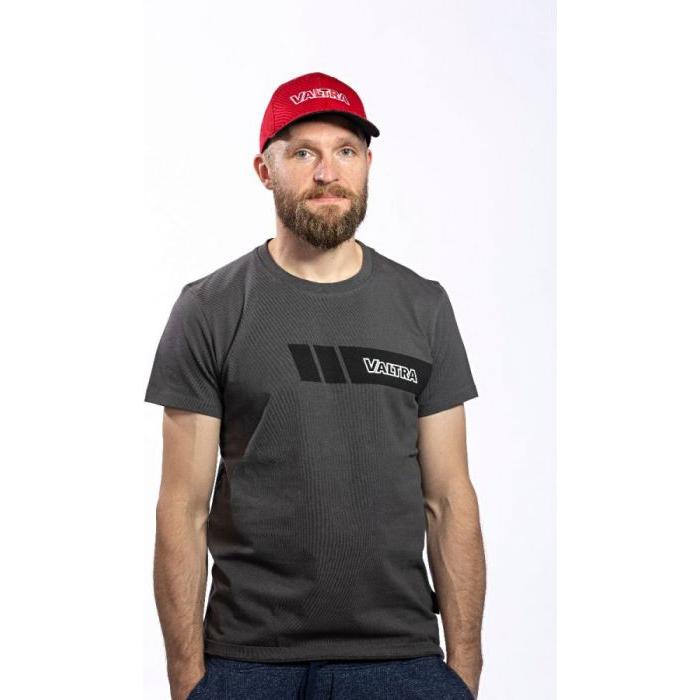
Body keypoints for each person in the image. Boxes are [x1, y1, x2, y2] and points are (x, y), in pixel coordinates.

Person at [144, 71, 486, 700]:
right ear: (264, 169)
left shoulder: (422, 306)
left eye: (346, 151)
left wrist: (462, 671)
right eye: (303, 152)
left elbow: (449, 498)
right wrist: (188, 680)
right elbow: (182, 509)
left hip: (402, 660)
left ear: (368, 164)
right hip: (246, 663)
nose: (327, 173)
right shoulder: (210, 308)